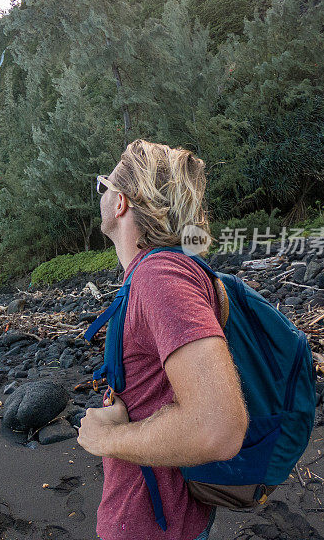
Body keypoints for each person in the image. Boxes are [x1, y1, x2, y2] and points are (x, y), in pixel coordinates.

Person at [77, 139, 248, 540]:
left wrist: (110, 438)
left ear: (120, 203)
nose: (102, 194)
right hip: (173, 515)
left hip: (154, 526)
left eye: (105, 186)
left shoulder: (161, 277)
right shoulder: (160, 273)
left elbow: (219, 428)